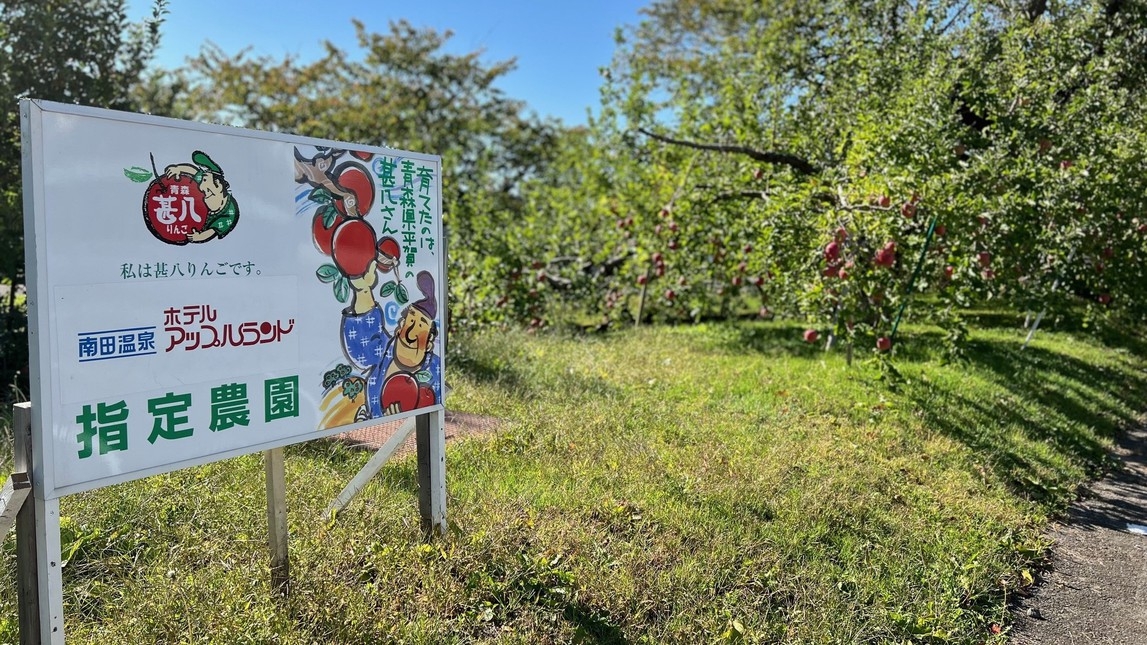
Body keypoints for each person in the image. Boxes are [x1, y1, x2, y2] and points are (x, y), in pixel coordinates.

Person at [342, 263, 441, 420]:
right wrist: (364, 291)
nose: (411, 333)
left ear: (429, 342)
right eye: (410, 322)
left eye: (421, 326)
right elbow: (364, 340)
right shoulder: (383, 349)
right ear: (400, 326)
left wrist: (400, 417)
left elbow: (430, 404)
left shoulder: (435, 369)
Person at [163, 151, 240, 242]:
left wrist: (199, 237)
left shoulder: (229, 213)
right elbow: (193, 171)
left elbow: (212, 231)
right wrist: (178, 169)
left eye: (205, 180)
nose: (201, 187)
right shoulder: (207, 185)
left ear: (218, 185)